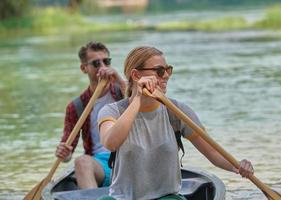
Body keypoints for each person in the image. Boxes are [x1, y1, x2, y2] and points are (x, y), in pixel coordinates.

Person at [97, 46, 254, 200]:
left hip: (166, 197)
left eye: (168, 70)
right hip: (121, 198)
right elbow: (111, 143)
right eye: (159, 71)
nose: (166, 76)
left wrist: (237, 166)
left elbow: (213, 152)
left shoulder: (178, 111)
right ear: (136, 75)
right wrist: (137, 98)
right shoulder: (112, 111)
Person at [55, 41, 126, 189]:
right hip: (101, 165)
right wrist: (63, 153)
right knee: (81, 162)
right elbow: (68, 153)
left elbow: (141, 101)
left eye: (106, 62)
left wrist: (119, 80)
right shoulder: (76, 106)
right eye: (96, 63)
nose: (102, 67)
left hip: (131, 160)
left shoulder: (123, 91)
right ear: (84, 68)